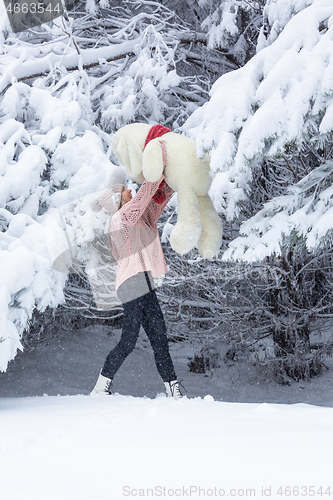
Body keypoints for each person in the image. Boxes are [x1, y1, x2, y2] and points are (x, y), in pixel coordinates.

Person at [90, 174, 183, 399]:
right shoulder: (120, 219)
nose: (130, 191)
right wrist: (155, 170)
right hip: (131, 282)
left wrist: (173, 179)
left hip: (145, 283)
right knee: (129, 340)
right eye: (125, 191)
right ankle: (100, 388)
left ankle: (174, 391)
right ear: (117, 201)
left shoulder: (143, 218)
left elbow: (157, 202)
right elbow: (144, 197)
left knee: (159, 337)